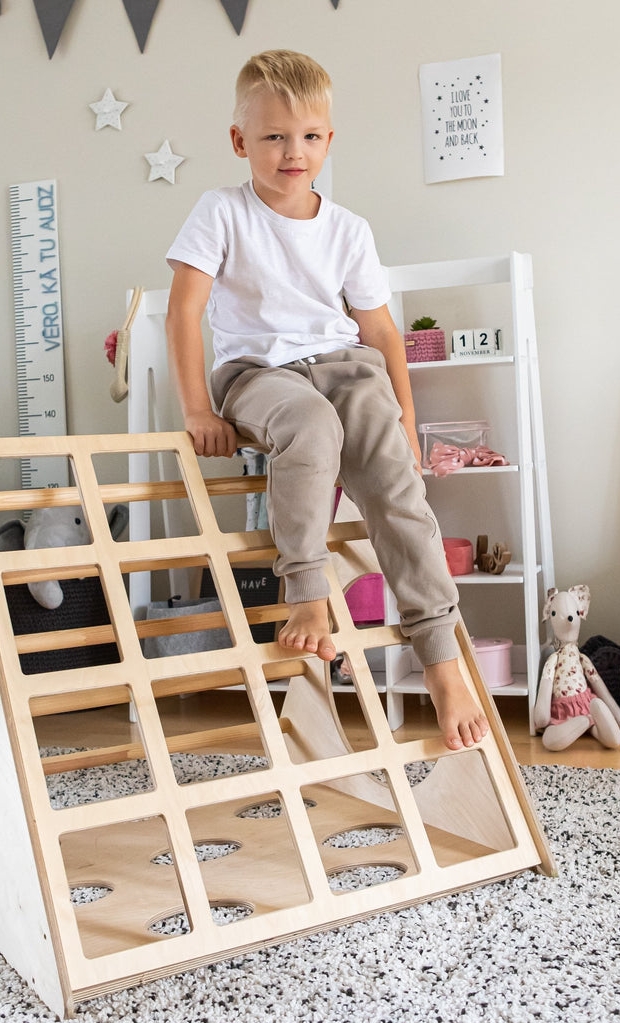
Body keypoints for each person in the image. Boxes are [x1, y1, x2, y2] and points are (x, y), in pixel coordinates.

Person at [164, 49, 488, 750]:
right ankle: (307, 589)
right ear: (239, 141)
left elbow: (381, 333)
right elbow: (183, 311)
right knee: (309, 427)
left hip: (346, 367)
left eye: (309, 137)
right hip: (258, 373)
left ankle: (441, 656)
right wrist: (197, 408)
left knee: (396, 485)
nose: (293, 152)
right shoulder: (221, 212)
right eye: (275, 136)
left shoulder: (347, 229)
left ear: (328, 142)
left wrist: (403, 421)